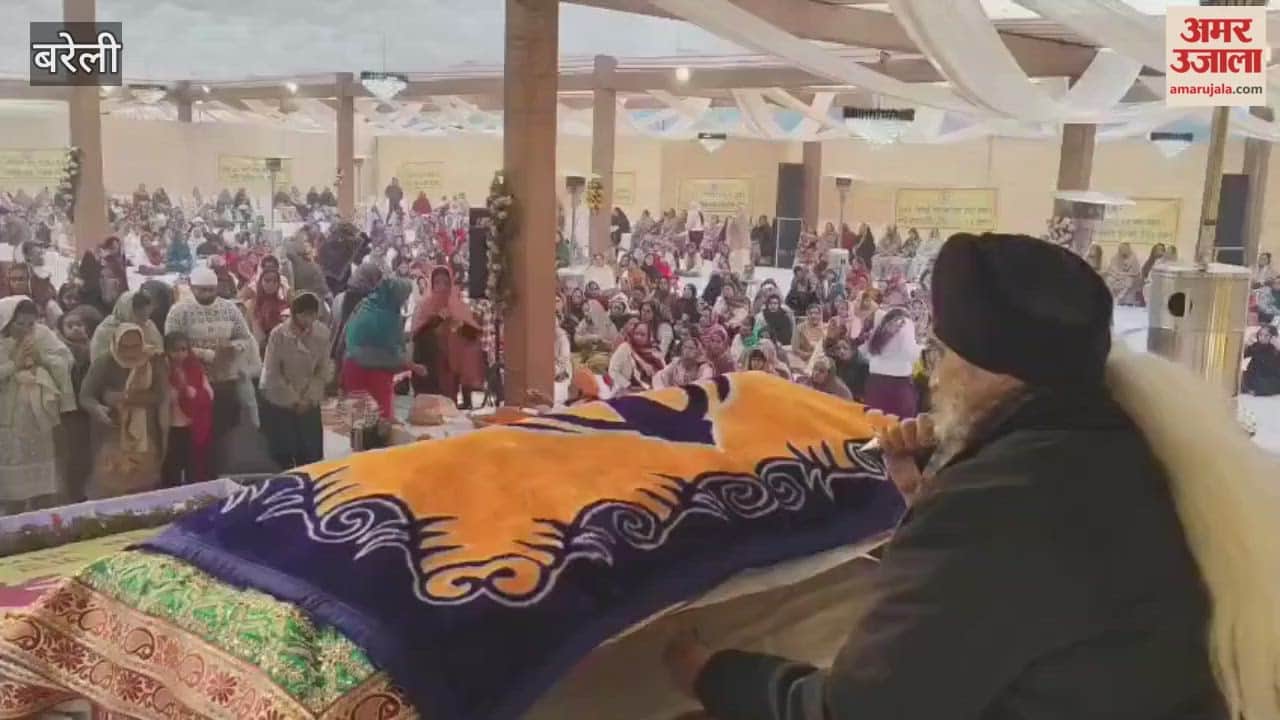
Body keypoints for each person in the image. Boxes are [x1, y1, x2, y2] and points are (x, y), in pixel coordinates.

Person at [668, 232, 1250, 720]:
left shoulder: (1003, 501)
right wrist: (926, 496)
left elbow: (862, 710)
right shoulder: (1136, 447)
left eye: (944, 352)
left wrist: (714, 675)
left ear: (989, 368)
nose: (935, 373)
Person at [165, 267, 252, 456]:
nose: (207, 294)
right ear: (191, 287)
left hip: (226, 379)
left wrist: (232, 348)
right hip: (191, 384)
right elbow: (171, 344)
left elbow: (245, 337)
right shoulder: (179, 311)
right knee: (196, 436)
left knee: (224, 433)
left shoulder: (229, 309)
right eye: (202, 290)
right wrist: (207, 355)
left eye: (211, 289)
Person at [0, 296, 74, 514]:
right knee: (13, 490)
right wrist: (15, 364)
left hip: (38, 419)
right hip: (8, 419)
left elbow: (65, 359)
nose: (25, 329)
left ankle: (45, 526)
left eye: (30, 323)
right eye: (19, 323)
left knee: (44, 486)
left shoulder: (42, 334)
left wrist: (41, 358)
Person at [80, 323, 164, 500]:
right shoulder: (104, 362)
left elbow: (160, 395)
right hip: (110, 432)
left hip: (144, 433)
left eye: (135, 346)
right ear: (115, 344)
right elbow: (86, 396)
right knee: (111, 480)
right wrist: (99, 408)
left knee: (141, 478)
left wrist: (127, 398)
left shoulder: (152, 361)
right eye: (124, 347)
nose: (130, 352)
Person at [260, 293, 331, 468]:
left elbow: (323, 370)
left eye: (313, 315)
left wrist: (308, 399)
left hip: (309, 402)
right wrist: (294, 400)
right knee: (283, 456)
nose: (309, 319)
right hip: (280, 401)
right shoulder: (278, 335)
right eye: (304, 314)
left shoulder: (322, 333)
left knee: (311, 457)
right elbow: (272, 372)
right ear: (294, 313)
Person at [344, 276, 424, 419]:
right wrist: (414, 367)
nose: (405, 301)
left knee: (359, 420)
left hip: (352, 366)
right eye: (404, 297)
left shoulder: (366, 305)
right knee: (382, 421)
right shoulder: (389, 317)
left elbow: (348, 334)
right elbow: (393, 352)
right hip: (376, 371)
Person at [410, 267, 485, 410]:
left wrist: (459, 324)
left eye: (446, 283)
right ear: (431, 285)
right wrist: (437, 320)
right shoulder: (423, 307)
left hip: (450, 371)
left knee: (449, 413)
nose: (442, 287)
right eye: (437, 283)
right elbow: (417, 335)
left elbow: (474, 336)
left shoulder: (459, 307)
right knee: (428, 414)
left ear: (451, 285)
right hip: (429, 370)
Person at [54, 305, 101, 502]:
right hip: (69, 411)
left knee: (87, 454)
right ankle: (72, 496)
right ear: (61, 328)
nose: (75, 329)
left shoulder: (93, 348)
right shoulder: (58, 350)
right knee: (72, 455)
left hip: (87, 410)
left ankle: (82, 492)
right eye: (70, 325)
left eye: (79, 325)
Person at [160, 331, 212, 487]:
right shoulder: (161, 371)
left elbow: (209, 394)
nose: (180, 354)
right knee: (171, 469)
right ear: (167, 351)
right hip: (170, 429)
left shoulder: (195, 368)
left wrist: (192, 392)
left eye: (184, 349)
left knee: (193, 468)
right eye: (175, 350)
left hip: (191, 426)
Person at [864, 307, 921, 418]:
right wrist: (922, 349)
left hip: (875, 382)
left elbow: (868, 352)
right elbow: (908, 352)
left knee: (877, 421)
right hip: (897, 383)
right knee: (900, 423)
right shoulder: (905, 322)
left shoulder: (881, 324)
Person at [608, 321, 664, 394]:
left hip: (652, 392)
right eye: (636, 333)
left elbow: (663, 373)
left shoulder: (655, 351)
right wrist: (628, 386)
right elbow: (612, 370)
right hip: (627, 392)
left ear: (648, 337)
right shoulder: (625, 348)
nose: (638, 337)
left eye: (642, 334)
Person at [245, 269, 288, 349]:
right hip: (255, 349)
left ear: (279, 284)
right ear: (261, 282)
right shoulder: (252, 305)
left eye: (275, 281)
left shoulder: (283, 306)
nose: (271, 284)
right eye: (267, 280)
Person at [1243, 324, 1280, 396]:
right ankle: (1250, 389)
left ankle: (1255, 390)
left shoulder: (1275, 348)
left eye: (1266, 336)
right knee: (1240, 377)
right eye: (1260, 335)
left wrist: (1278, 347)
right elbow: (1243, 355)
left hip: (1270, 377)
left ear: (1273, 337)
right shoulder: (1256, 345)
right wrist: (1247, 343)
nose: (1262, 337)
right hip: (1255, 376)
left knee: (1268, 384)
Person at [1105, 241, 1143, 306]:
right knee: (1109, 279)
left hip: (1129, 278)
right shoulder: (1115, 257)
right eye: (1121, 248)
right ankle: (1110, 298)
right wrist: (1117, 275)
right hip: (1116, 277)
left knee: (1129, 281)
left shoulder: (1134, 258)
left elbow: (1136, 273)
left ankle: (1121, 297)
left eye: (1125, 248)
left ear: (1128, 249)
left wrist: (1124, 275)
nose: (1123, 250)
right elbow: (1111, 269)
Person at [792, 304, 827, 369]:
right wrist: (809, 355)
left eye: (816, 313)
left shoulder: (825, 328)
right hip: (804, 360)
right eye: (811, 313)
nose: (813, 316)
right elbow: (795, 349)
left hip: (822, 360)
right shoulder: (800, 328)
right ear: (807, 314)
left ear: (820, 315)